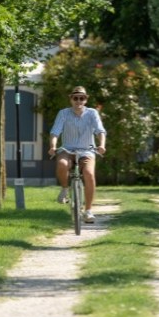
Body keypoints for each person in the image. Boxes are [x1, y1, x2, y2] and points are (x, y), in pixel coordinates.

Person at [48, 86, 106, 223]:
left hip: (87, 150)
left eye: (82, 98)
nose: (78, 101)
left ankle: (88, 211)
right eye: (75, 98)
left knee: (89, 174)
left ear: (86, 100)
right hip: (67, 150)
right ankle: (64, 188)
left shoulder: (92, 113)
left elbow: (100, 131)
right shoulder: (63, 113)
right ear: (71, 99)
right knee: (62, 164)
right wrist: (53, 146)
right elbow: (55, 132)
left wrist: (102, 145)